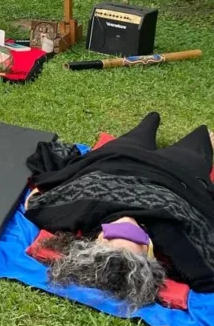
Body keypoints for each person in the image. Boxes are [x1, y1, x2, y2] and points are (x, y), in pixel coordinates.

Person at [24, 112, 214, 307]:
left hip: (121, 156)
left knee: (144, 128)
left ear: (94, 239)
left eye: (113, 234)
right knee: (199, 139)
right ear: (150, 252)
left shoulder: (77, 209)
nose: (125, 226)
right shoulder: (178, 238)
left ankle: (152, 120)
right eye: (134, 238)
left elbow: (35, 201)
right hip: (177, 171)